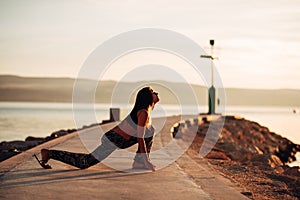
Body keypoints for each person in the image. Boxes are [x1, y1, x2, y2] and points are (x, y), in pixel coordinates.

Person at [34, 86, 159, 171]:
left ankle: (139, 162)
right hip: (114, 139)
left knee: (150, 130)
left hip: (122, 139)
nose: (156, 93)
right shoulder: (143, 113)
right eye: (153, 92)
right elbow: (141, 138)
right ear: (147, 97)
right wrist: (147, 160)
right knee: (85, 163)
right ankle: (49, 153)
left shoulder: (145, 112)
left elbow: (143, 135)